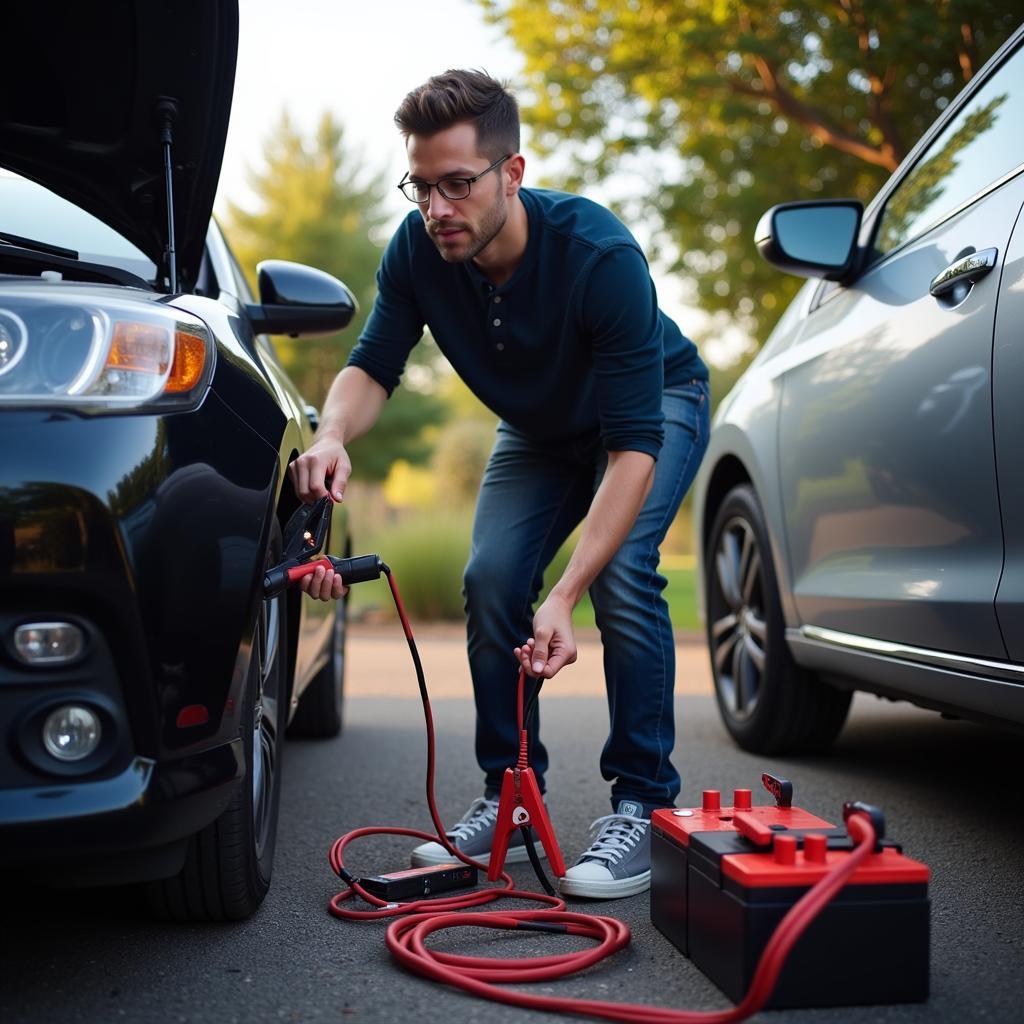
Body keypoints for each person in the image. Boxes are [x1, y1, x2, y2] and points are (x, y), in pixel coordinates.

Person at [289, 69, 710, 900]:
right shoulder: (417, 249)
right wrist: (331, 433)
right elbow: (373, 365)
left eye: (458, 185)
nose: (437, 208)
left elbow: (631, 447)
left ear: (511, 174)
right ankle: (510, 797)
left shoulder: (600, 257)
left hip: (650, 408)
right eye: (421, 186)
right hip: (540, 429)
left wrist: (568, 593)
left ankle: (644, 805)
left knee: (623, 574)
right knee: (489, 578)